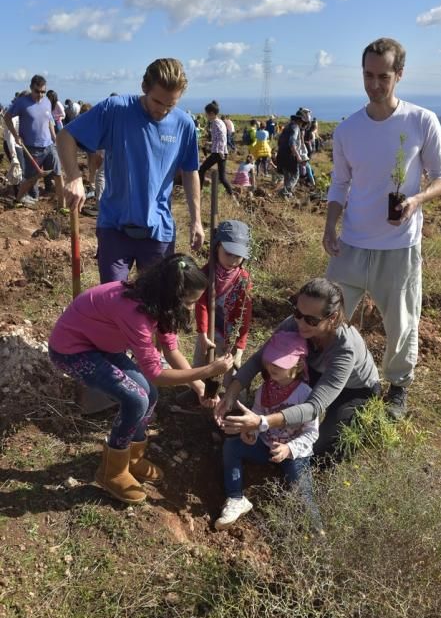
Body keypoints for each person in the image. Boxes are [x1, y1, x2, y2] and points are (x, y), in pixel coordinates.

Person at [323, 37, 441, 419]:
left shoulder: (420, 120)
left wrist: (415, 201)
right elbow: (339, 184)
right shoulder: (347, 129)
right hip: (351, 242)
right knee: (327, 315)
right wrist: (330, 226)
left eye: (383, 76)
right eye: (368, 75)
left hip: (399, 246)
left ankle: (397, 387)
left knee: (401, 322)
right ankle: (333, 377)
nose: (375, 84)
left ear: (400, 75)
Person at [48, 254, 234, 504]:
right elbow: (156, 372)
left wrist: (199, 387)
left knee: (151, 393)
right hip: (72, 350)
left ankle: (132, 458)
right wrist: (206, 372)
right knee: (135, 399)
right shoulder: (135, 312)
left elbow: (171, 351)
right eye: (189, 302)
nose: (191, 308)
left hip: (101, 345)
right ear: (171, 296)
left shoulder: (159, 305)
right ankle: (111, 471)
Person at [57, 58, 204, 283]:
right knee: (114, 301)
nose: (163, 111)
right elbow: (66, 135)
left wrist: (196, 220)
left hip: (158, 232)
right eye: (158, 102)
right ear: (144, 87)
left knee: (157, 304)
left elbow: (190, 171)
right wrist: (74, 176)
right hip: (114, 227)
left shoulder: (184, 125)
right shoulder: (116, 109)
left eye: (170, 105)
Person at [215, 278, 381, 462]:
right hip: (314, 370)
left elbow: (313, 407)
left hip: (355, 389)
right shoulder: (294, 324)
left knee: (316, 450)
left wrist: (263, 421)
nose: (301, 324)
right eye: (297, 313)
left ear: (332, 318)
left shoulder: (344, 349)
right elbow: (259, 359)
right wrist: (231, 392)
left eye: (311, 320)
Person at [215, 330, 322, 532]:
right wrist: (251, 433)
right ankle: (236, 497)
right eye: (271, 361)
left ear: (298, 365)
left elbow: (312, 433)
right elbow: (256, 415)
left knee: (303, 491)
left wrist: (288, 449)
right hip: (266, 445)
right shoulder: (264, 390)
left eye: (280, 363)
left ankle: (316, 531)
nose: (273, 366)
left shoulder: (305, 394)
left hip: (294, 454)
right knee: (232, 446)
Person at [177, 220, 252, 406]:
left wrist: (239, 344)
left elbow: (245, 314)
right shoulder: (206, 273)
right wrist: (202, 333)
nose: (233, 260)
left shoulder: (243, 280)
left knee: (229, 366)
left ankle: (231, 400)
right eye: (228, 254)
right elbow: (201, 304)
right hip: (209, 330)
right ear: (216, 247)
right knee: (202, 361)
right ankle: (197, 391)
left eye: (238, 256)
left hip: (230, 334)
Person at [3, 75, 65, 209]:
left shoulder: (47, 102)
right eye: (37, 91)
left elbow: (49, 122)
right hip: (32, 149)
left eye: (43, 91)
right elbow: (7, 117)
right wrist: (16, 135)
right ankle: (18, 200)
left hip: (49, 146)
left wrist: (55, 139)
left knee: (58, 174)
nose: (40, 94)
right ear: (31, 88)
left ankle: (62, 207)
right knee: (31, 179)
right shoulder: (22, 103)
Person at [198, 101, 235, 198]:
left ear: (211, 113)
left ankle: (199, 192)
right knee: (222, 177)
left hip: (218, 153)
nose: (205, 115)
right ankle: (232, 196)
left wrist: (220, 151)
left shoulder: (215, 123)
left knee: (201, 169)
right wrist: (209, 143)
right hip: (222, 152)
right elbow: (219, 138)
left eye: (206, 114)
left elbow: (222, 138)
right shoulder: (220, 122)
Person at [276, 107, 312, 198]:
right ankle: (284, 192)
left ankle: (286, 195)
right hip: (290, 156)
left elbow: (280, 141)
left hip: (281, 154)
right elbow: (292, 143)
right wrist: (298, 156)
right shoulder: (295, 128)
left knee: (287, 176)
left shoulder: (288, 126)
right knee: (295, 176)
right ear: (303, 120)